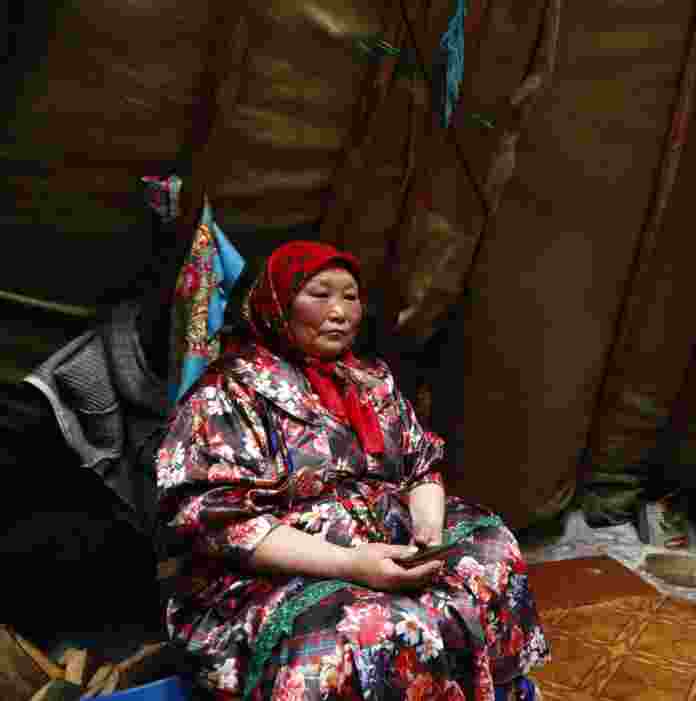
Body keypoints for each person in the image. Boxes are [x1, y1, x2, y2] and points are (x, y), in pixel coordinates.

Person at [156, 241, 550, 700]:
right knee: (372, 623)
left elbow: (421, 463)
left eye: (350, 296)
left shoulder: (370, 379)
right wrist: (351, 565)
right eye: (320, 295)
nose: (339, 311)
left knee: (489, 552)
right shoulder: (228, 393)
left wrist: (428, 535)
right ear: (277, 305)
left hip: (380, 530)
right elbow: (222, 522)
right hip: (284, 559)